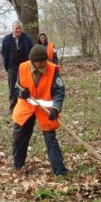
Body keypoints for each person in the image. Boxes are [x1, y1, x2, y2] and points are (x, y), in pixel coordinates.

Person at [12, 45, 68, 175]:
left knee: (50, 138)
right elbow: (16, 87)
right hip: (26, 107)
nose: (44, 64)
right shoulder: (22, 68)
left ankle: (59, 170)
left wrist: (56, 108)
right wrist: (21, 93)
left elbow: (59, 90)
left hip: (46, 109)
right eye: (40, 62)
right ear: (32, 61)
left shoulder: (52, 69)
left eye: (45, 60)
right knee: (19, 136)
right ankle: (18, 165)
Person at [1, 21, 34, 113]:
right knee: (12, 87)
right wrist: (7, 64)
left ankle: (25, 106)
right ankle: (12, 108)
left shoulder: (27, 38)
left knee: (25, 87)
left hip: (24, 67)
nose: (18, 30)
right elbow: (4, 52)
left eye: (20, 28)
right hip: (12, 67)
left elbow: (32, 50)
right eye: (16, 28)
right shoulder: (6, 39)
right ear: (13, 29)